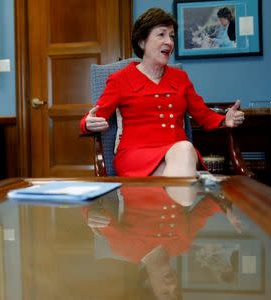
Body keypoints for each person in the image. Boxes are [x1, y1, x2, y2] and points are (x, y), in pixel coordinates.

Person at [80, 8, 245, 177]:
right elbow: (96, 115)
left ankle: (172, 201)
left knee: (184, 149)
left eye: (172, 36)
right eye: (161, 35)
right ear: (142, 42)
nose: (169, 42)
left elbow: (203, 114)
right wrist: (88, 123)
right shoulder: (120, 79)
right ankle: (182, 201)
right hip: (136, 157)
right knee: (182, 162)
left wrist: (226, 119)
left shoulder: (180, 78)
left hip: (181, 153)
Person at [82, 186, 241, 299]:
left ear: (147, 285)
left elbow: (96, 215)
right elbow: (206, 208)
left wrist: (90, 213)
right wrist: (226, 208)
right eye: (176, 292)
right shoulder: (182, 245)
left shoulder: (125, 248)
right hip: (177, 176)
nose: (172, 286)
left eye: (165, 293)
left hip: (140, 173)